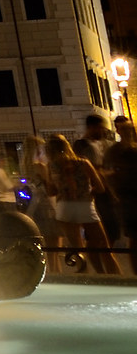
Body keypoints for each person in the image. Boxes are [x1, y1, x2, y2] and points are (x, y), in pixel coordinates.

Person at [43, 133, 118, 275]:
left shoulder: (51, 166)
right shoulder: (83, 163)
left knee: (78, 248)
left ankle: (85, 279)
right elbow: (101, 187)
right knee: (104, 247)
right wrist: (87, 191)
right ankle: (115, 278)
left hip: (64, 208)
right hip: (85, 206)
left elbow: (51, 191)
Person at [78, 113, 123, 248]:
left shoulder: (104, 144)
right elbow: (85, 169)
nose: (104, 131)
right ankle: (103, 260)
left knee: (111, 231)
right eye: (101, 128)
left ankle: (106, 258)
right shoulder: (82, 145)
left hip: (108, 192)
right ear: (91, 127)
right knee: (98, 233)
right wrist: (105, 172)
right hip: (96, 193)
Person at [108, 118, 137, 252]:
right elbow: (109, 172)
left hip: (127, 196)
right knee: (133, 236)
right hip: (127, 197)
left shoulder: (116, 150)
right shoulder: (115, 150)